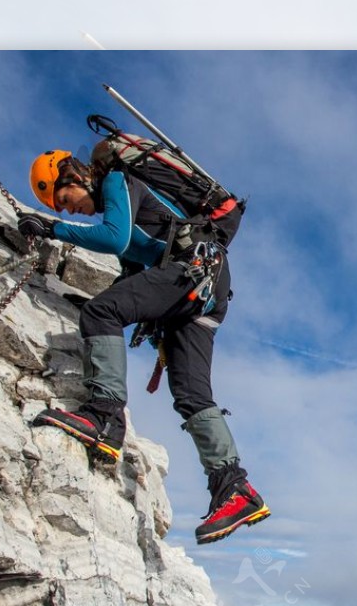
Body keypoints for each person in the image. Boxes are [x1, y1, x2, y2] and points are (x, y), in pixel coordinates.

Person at [19, 149, 269, 545]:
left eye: (67, 202)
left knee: (101, 314)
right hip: (206, 290)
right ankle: (235, 488)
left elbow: (113, 238)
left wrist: (51, 229)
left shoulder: (117, 180)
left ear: (74, 177)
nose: (74, 213)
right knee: (190, 394)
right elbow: (134, 271)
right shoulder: (132, 211)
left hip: (193, 274)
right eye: (63, 211)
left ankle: (103, 417)